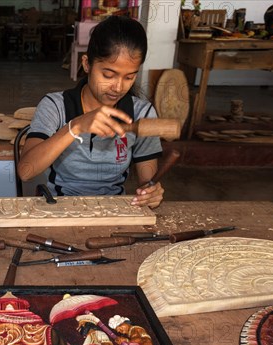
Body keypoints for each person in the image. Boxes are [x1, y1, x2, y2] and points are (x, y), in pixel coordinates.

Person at [18, 16, 164, 208]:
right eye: (108, 75)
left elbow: (147, 182)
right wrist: (75, 127)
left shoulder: (142, 113)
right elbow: (26, 171)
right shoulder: (56, 106)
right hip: (59, 206)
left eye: (129, 77)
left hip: (115, 209)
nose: (118, 87)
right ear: (86, 64)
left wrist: (151, 193)